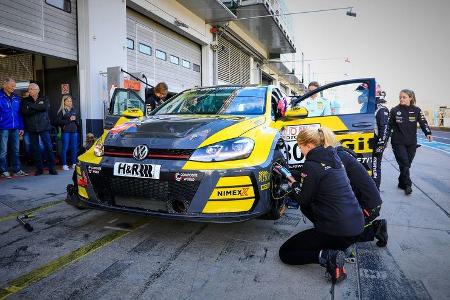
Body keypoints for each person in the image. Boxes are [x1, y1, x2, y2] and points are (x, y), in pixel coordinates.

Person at [278, 128, 364, 284]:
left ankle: (328, 257)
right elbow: (318, 180)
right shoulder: (335, 158)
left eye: (300, 146)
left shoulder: (311, 165)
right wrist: (294, 177)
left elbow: (303, 199)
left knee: (286, 252)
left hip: (338, 231)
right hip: (356, 227)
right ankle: (340, 248)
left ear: (309, 145)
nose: (300, 150)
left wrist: (293, 184)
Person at [321, 127, 388, 247]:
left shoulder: (337, 158)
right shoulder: (340, 152)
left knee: (341, 237)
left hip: (368, 206)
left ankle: (376, 228)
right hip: (369, 202)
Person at [389, 89, 432, 195]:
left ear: (410, 98)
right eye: (400, 97)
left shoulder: (417, 110)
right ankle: (408, 185)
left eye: (404, 97)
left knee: (406, 165)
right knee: (404, 162)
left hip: (412, 143)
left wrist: (428, 133)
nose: (401, 99)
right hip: (398, 142)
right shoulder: (394, 110)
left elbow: (423, 122)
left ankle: (401, 182)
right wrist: (384, 140)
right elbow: (388, 126)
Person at [21, 83, 58, 176]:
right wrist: (38, 107)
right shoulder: (25, 100)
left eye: (32, 89)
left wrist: (32, 106)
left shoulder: (44, 98)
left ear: (37, 90)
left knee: (48, 147)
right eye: (29, 89)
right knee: (35, 149)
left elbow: (45, 107)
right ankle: (39, 169)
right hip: (32, 127)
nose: (30, 91)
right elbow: (25, 112)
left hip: (44, 127)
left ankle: (52, 168)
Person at [0, 77, 28, 178]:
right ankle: (4, 170)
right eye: (12, 86)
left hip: (15, 128)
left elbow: (19, 114)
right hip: (3, 128)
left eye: (14, 86)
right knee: (3, 151)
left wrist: (21, 127)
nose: (14, 88)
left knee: (16, 150)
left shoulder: (16, 98)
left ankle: (17, 170)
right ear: (5, 85)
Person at [372, 86, 390, 189]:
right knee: (372, 167)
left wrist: (381, 144)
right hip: (371, 142)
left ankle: (375, 191)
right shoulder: (373, 108)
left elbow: (384, 128)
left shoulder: (381, 109)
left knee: (375, 167)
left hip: (377, 143)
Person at [56, 95, 79, 170]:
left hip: (74, 131)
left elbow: (76, 119)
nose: (70, 102)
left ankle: (74, 163)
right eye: (68, 101)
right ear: (64, 102)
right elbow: (58, 122)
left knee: (74, 147)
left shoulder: (74, 110)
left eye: (70, 101)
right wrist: (69, 119)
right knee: (65, 148)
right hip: (66, 131)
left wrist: (75, 120)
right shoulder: (61, 111)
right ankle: (64, 164)